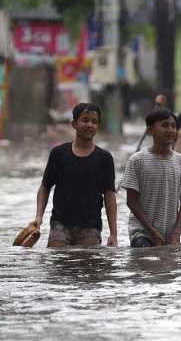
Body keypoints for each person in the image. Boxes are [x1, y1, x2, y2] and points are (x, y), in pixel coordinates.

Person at [29, 103, 117, 247]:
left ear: (98, 126)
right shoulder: (58, 154)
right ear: (74, 124)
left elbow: (109, 195)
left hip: (90, 227)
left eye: (94, 122)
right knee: (57, 260)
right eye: (85, 120)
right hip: (60, 224)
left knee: (86, 265)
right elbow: (45, 186)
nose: (89, 125)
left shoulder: (104, 158)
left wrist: (113, 234)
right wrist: (38, 217)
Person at [121, 109, 181, 247]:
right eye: (164, 125)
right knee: (146, 259)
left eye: (173, 126)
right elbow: (131, 201)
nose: (170, 130)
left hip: (169, 235)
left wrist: (176, 233)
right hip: (142, 232)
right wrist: (152, 231)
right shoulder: (137, 160)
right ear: (151, 131)